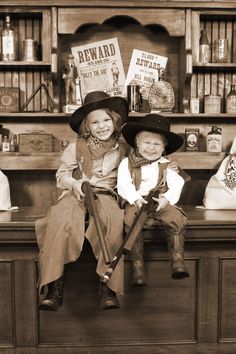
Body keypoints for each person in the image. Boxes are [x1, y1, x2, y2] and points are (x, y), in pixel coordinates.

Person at [35, 90, 129, 311]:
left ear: (115, 121)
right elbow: (62, 176)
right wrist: (75, 184)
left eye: (106, 120)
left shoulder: (124, 149)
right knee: (59, 220)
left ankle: (107, 286)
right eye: (94, 122)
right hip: (77, 193)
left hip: (105, 195)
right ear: (87, 126)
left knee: (114, 223)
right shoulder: (76, 146)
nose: (101, 126)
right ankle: (54, 285)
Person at [117, 113, 189, 286]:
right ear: (137, 143)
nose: (151, 148)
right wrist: (135, 198)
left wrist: (166, 199)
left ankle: (177, 260)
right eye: (147, 143)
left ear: (164, 147)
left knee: (175, 217)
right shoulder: (126, 163)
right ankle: (138, 267)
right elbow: (124, 185)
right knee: (131, 220)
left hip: (160, 200)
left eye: (156, 144)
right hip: (137, 201)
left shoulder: (167, 164)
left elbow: (177, 183)